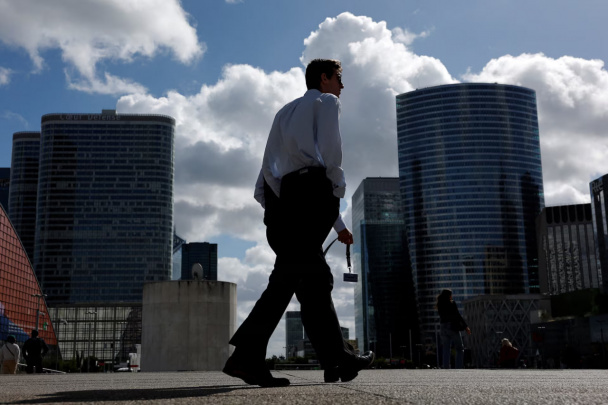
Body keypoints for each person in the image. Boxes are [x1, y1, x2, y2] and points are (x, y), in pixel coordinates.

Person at [223, 59, 374, 387]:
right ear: (324, 78)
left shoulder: (284, 112)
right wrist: (336, 189)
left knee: (312, 280)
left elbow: (268, 170)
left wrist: (288, 207)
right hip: (314, 191)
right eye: (339, 78)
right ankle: (247, 357)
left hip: (287, 199)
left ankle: (338, 360)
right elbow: (331, 151)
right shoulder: (327, 102)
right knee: (292, 279)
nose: (342, 86)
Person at [436, 289, 471, 369]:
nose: (452, 296)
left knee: (446, 348)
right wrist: (466, 327)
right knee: (459, 348)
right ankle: (458, 367)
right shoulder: (451, 303)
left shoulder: (439, 304)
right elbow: (457, 315)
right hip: (452, 326)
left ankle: (446, 367)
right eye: (451, 295)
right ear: (449, 296)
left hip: (443, 327)